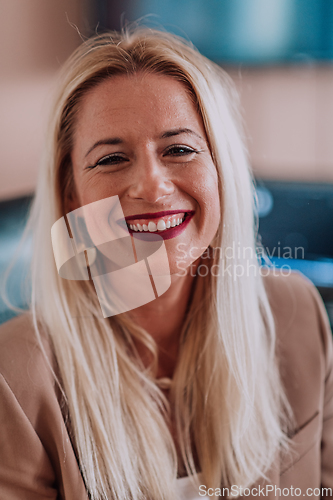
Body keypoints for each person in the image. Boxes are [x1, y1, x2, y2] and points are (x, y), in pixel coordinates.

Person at [0, 27, 332, 500]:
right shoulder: (13, 377)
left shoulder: (296, 313)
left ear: (221, 169)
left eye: (179, 149)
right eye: (112, 158)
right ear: (70, 193)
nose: (153, 187)